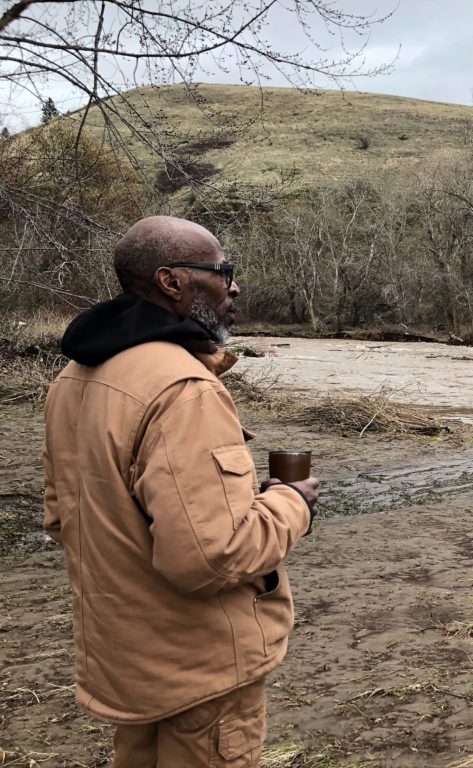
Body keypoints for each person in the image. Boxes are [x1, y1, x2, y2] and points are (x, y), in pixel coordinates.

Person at [42, 216, 319, 767]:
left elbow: (61, 518)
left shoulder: (73, 377)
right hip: (202, 667)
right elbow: (212, 555)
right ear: (172, 282)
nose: (234, 285)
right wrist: (292, 502)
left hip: (131, 662)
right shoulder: (185, 389)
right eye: (223, 271)